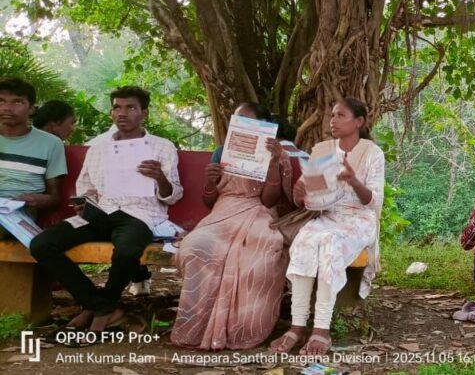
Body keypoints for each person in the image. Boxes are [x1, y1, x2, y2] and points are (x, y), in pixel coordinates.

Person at [30, 86, 183, 332]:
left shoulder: (162, 147)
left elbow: (173, 196)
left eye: (130, 107)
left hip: (139, 215)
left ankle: (98, 308)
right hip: (100, 213)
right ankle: (101, 306)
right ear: (111, 113)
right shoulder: (98, 148)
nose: (122, 113)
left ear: (144, 113)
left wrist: (160, 178)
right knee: (41, 244)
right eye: (117, 107)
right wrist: (82, 205)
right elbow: (85, 188)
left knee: (127, 250)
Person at [268, 98, 385, 355]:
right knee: (304, 239)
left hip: (358, 219)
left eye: (340, 115)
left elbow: (373, 201)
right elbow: (311, 200)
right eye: (332, 115)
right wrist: (300, 192)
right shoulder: (321, 150)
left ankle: (321, 329)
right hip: (327, 216)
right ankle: (297, 327)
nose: (333, 120)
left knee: (329, 243)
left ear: (359, 122)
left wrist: (354, 180)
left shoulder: (372, 152)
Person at [170, 103, 291, 350]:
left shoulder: (275, 154)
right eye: (237, 120)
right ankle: (201, 327)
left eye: (249, 121)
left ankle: (242, 328)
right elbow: (209, 201)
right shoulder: (221, 152)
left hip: (257, 213)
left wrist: (272, 164)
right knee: (195, 246)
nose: (241, 126)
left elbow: (269, 200)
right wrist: (210, 182)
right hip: (222, 213)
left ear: (265, 127)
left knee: (258, 254)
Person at [0, 77, 67, 237]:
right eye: (1, 101)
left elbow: (55, 197)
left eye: (17, 102)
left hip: (18, 213)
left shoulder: (51, 143)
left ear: (31, 109)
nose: (7, 108)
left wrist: (39, 200)